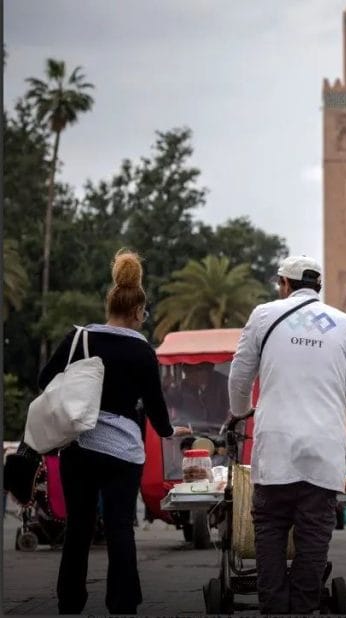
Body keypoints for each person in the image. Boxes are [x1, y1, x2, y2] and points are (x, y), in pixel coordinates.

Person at [41, 249, 190, 614]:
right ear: (138, 311)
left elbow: (45, 381)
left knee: (79, 526)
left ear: (109, 304)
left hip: (78, 447)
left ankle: (70, 601)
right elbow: (155, 410)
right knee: (120, 526)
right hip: (122, 453)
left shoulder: (78, 339)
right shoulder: (142, 351)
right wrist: (172, 431)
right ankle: (123, 603)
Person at [227, 255, 346, 615]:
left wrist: (241, 410)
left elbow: (240, 377)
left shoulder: (264, 315)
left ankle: (274, 607)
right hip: (323, 450)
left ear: (284, 284)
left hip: (276, 448)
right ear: (318, 286)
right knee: (314, 535)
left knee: (270, 529)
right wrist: (327, 415)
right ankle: (304, 608)